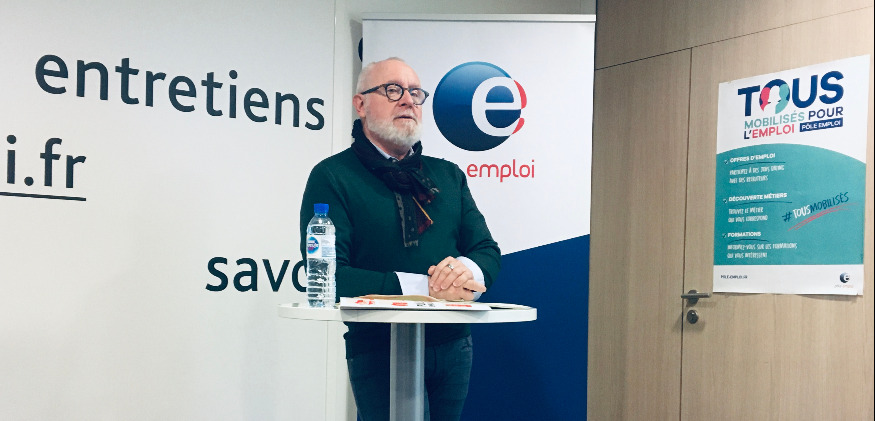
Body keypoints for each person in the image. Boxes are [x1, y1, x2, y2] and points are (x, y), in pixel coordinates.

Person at [299, 57, 501, 421]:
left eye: (415, 93)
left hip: (454, 345)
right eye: (392, 90)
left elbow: (486, 250)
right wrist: (426, 288)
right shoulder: (333, 176)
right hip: (379, 349)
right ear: (360, 104)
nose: (407, 100)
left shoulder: (448, 175)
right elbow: (330, 275)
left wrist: (464, 272)